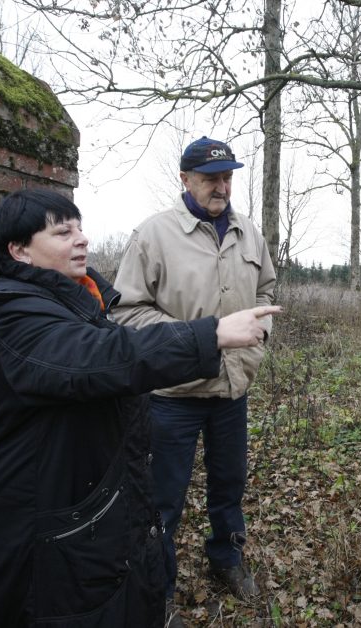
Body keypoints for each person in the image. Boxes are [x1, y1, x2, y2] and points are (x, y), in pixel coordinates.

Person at [0, 188, 279, 627]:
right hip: (30, 534)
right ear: (19, 250)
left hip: (79, 514)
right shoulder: (13, 318)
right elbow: (103, 356)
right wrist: (210, 335)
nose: (81, 239)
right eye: (63, 232)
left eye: (80, 228)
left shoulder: (74, 302)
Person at [112, 136, 276, 622]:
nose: (221, 186)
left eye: (227, 177)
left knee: (229, 484)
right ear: (185, 180)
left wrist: (257, 341)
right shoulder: (154, 236)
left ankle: (225, 556)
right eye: (210, 178)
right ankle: (156, 591)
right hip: (172, 397)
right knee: (163, 499)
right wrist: (198, 339)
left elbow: (266, 290)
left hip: (231, 391)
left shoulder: (249, 234)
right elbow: (125, 313)